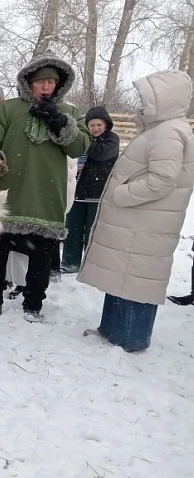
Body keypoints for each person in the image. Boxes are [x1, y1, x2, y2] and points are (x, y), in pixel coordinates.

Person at [79, 70, 194, 352]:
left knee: (136, 282)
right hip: (137, 223)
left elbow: (162, 179)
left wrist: (122, 194)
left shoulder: (169, 132)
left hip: (144, 225)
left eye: (146, 99)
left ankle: (130, 338)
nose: (141, 105)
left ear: (164, 100)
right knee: (123, 278)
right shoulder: (162, 129)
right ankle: (112, 330)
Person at [0, 50, 91, 321]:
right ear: (28, 82)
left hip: (46, 194)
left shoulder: (69, 112)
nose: (47, 86)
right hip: (6, 192)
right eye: (41, 81)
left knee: (41, 255)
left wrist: (58, 121)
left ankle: (33, 305)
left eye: (52, 82)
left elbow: (80, 145)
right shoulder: (8, 109)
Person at [61, 105, 119, 272]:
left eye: (99, 125)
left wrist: (83, 141)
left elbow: (101, 153)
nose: (95, 128)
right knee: (72, 230)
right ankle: (70, 263)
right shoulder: (84, 138)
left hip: (97, 194)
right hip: (77, 192)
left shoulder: (111, 139)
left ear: (106, 125)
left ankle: (92, 265)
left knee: (93, 231)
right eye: (92, 125)